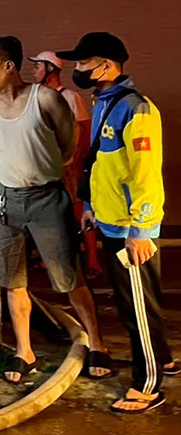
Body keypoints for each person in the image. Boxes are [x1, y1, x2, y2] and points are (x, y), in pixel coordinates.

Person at [0, 36, 110, 384]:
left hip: (47, 198)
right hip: (5, 200)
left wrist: (44, 170)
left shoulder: (45, 99)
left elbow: (68, 145)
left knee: (68, 275)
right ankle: (24, 351)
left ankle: (97, 342)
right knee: (12, 279)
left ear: (7, 66)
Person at [57, 32, 170, 413]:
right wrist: (89, 204)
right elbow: (100, 162)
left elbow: (146, 176)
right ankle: (163, 359)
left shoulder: (135, 108)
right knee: (138, 304)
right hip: (111, 221)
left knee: (137, 307)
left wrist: (140, 231)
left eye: (84, 63)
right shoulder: (107, 101)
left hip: (129, 228)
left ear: (106, 64)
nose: (78, 69)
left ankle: (149, 385)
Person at [29, 51, 103, 276]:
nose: (34, 71)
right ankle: (50, 259)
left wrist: (76, 162)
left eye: (38, 66)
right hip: (45, 165)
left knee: (79, 209)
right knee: (48, 212)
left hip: (68, 164)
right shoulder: (35, 95)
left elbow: (85, 129)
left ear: (50, 68)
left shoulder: (70, 96)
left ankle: (92, 259)